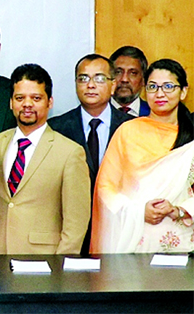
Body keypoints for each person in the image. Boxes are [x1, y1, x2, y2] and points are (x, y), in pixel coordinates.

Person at [92, 58, 194, 253]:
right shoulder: (128, 131)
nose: (160, 93)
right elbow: (106, 188)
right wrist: (138, 211)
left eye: (168, 86)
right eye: (153, 87)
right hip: (134, 242)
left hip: (183, 243)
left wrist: (177, 210)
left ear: (183, 91)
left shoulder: (190, 138)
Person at [0, 64, 90, 255]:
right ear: (11, 102)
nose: (27, 104)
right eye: (20, 98)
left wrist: (60, 267)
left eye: (36, 98)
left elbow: (76, 223)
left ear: (49, 102)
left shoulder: (70, 153)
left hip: (45, 262)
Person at [48, 54, 133, 254]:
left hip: (120, 230)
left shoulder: (132, 127)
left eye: (100, 78)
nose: (91, 85)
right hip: (69, 234)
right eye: (83, 78)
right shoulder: (56, 128)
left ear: (113, 86)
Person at [110, 46, 150, 117]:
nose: (124, 79)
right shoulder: (98, 112)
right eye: (118, 72)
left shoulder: (153, 114)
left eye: (133, 73)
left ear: (143, 80)